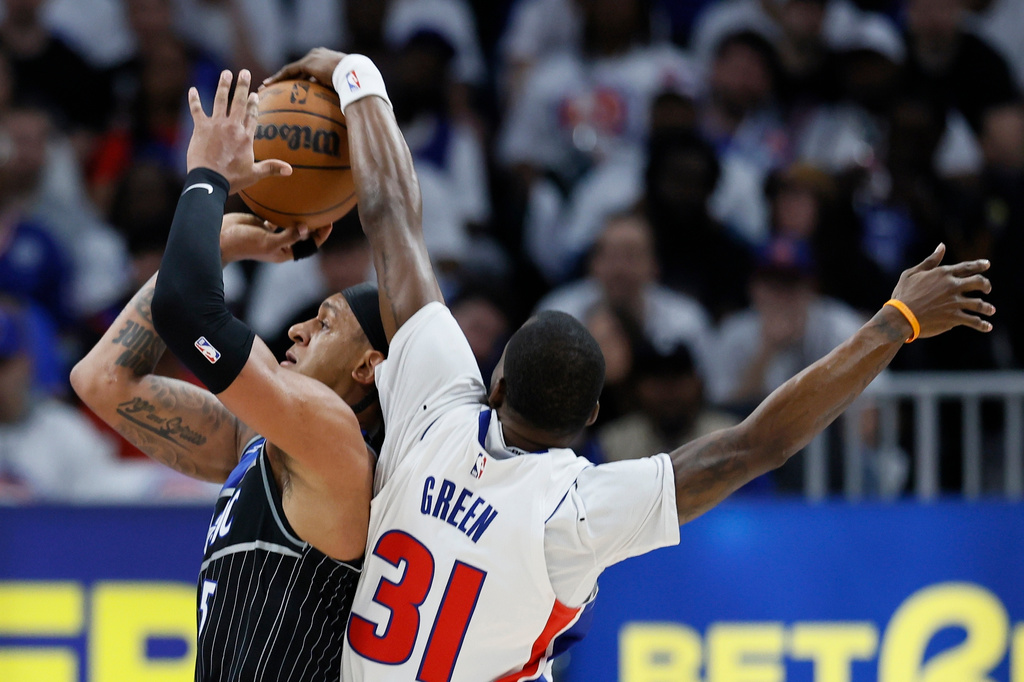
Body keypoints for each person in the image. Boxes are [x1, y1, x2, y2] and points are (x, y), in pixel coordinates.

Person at [262, 49, 994, 682]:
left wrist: (354, 75)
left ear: (497, 381)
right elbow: (758, 443)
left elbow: (392, 214)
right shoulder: (573, 511)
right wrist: (893, 324)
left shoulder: (438, 405)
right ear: (591, 419)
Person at [72, 69, 389, 679]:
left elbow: (187, 310)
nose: (296, 329)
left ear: (366, 366)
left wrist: (208, 177)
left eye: (324, 324)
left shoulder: (337, 446)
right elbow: (102, 381)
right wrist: (219, 245)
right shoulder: (260, 444)